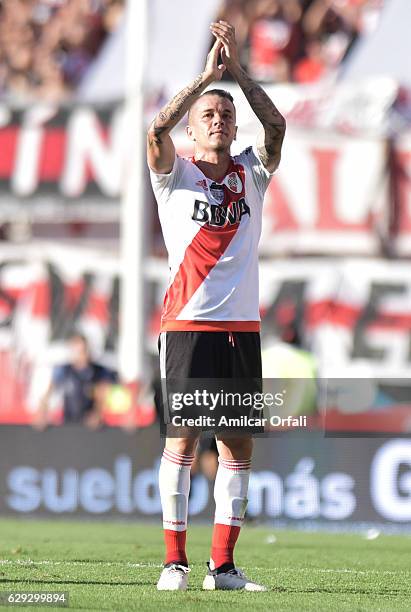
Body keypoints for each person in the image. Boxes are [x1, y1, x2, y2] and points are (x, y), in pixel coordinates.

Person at [147, 20, 285, 591]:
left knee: (237, 445)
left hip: (241, 328)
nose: (218, 122)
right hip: (187, 325)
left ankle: (221, 567)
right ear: (192, 128)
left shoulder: (251, 171)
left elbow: (276, 125)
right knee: (182, 440)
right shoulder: (172, 174)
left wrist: (240, 77)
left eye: (225, 115)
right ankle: (174, 562)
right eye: (208, 115)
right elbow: (154, 128)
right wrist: (203, 79)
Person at [33, 333, 116, 430]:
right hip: (68, 424)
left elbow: (102, 394)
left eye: (82, 351)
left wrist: (97, 413)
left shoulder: (97, 371)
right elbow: (48, 392)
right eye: (76, 351)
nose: (80, 355)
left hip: (90, 426)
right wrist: (42, 412)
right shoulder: (64, 370)